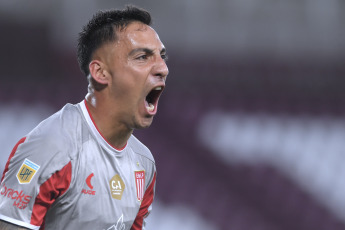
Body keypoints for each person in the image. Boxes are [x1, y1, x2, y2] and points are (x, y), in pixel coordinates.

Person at [0, 5, 168, 230]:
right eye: (142, 57)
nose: (162, 68)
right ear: (100, 73)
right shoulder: (52, 147)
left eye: (161, 56)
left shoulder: (143, 163)